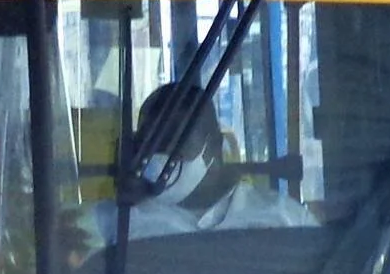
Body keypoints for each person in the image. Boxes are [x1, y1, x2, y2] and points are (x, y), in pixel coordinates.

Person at [76, 82, 317, 252]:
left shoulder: (285, 220)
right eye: (150, 142)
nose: (161, 155)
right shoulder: (116, 222)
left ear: (215, 148)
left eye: (176, 141)